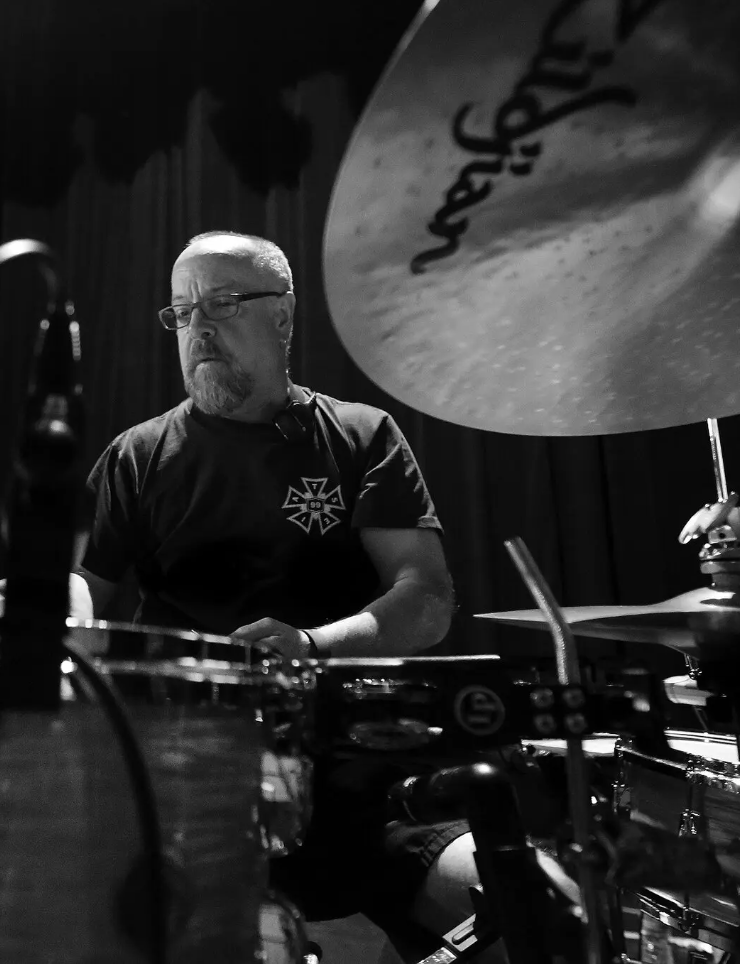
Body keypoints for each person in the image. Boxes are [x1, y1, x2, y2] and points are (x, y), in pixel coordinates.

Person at [73, 231, 480, 958]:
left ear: (284, 318)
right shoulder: (136, 457)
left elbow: (426, 597)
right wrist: (60, 604)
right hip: (178, 780)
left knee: (508, 891)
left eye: (223, 304)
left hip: (353, 778)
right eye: (182, 311)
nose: (198, 326)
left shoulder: (361, 436)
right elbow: (89, 590)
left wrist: (311, 648)